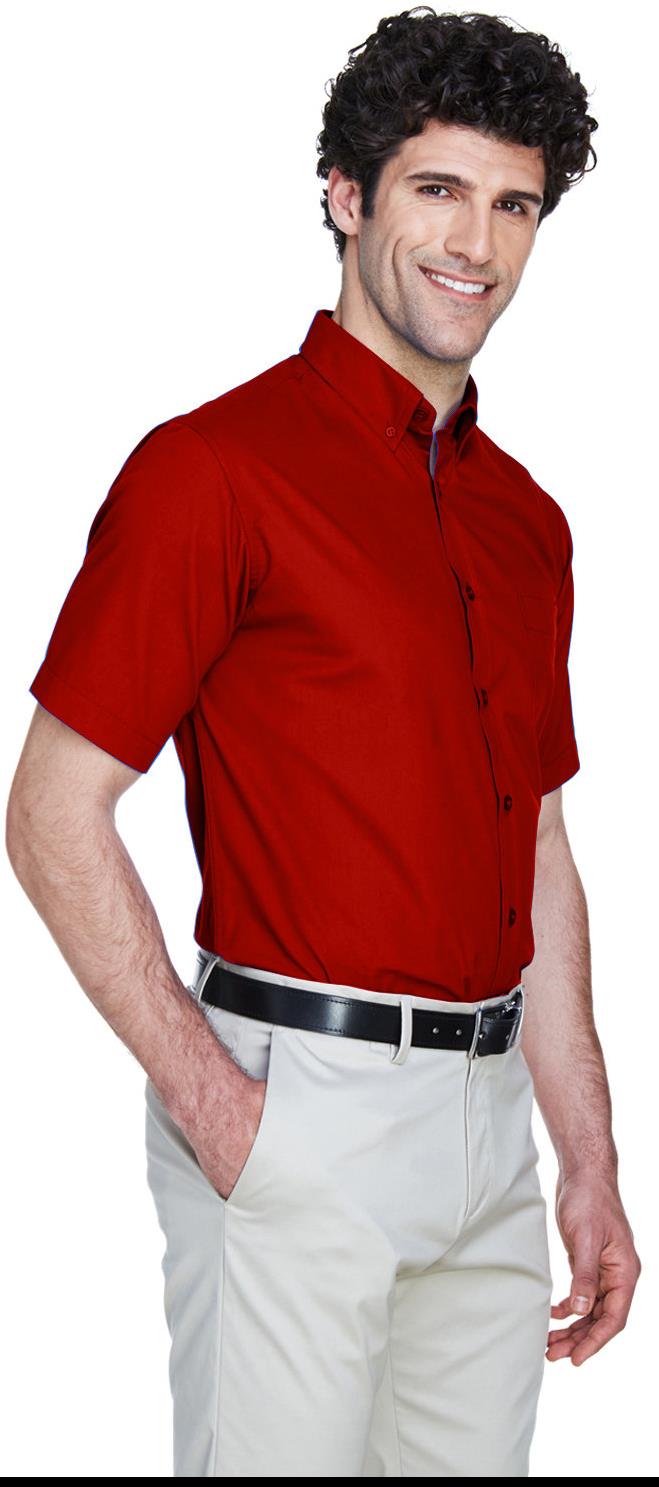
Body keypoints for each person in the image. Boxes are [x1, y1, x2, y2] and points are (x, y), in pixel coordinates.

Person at [6, 5, 641, 1478]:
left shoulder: (527, 520)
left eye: (515, 204)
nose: (476, 242)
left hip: (493, 1132)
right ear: (347, 196)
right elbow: (51, 810)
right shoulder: (213, 472)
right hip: (299, 1106)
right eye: (439, 188)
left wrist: (588, 1158)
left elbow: (540, 847)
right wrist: (220, 1112)